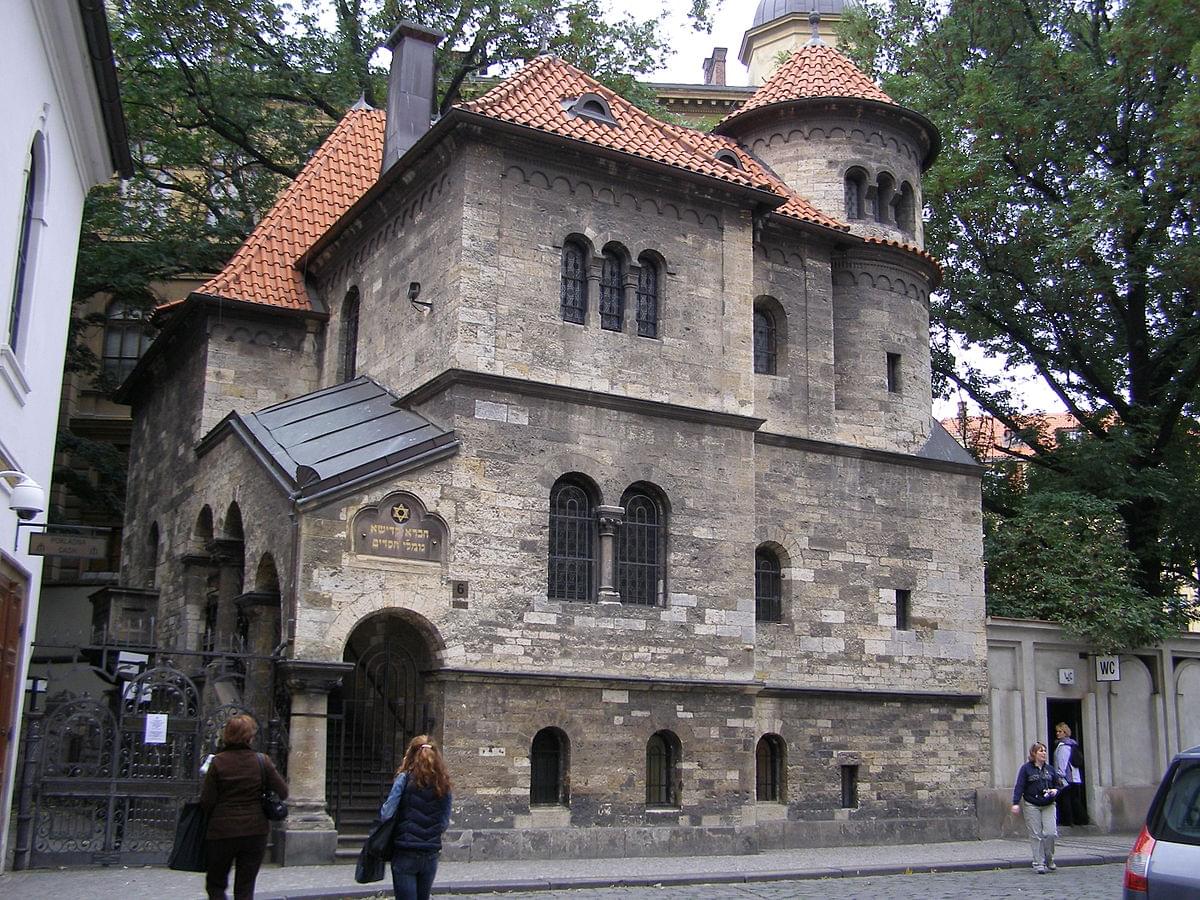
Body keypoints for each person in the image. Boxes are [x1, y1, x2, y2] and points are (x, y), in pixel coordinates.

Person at [199, 714, 288, 900]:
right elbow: (283, 791)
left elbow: (207, 800)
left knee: (215, 883)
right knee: (245, 886)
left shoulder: (218, 762)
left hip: (222, 831)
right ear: (250, 736)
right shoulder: (262, 761)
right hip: (255, 830)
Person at [379, 734, 453, 900]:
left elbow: (387, 813)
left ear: (410, 754)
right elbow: (444, 822)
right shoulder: (443, 783)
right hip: (430, 853)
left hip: (405, 851)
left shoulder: (404, 779)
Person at [1011, 741, 1062, 874]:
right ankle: (1038, 862)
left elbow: (1059, 784)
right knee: (1036, 835)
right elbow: (1020, 786)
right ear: (1034, 754)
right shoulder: (1026, 769)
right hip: (1032, 804)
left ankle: (1049, 858)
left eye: (1044, 750)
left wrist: (1056, 791)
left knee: (1050, 833)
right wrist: (1015, 803)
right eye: (1040, 751)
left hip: (1048, 804)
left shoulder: (1050, 769)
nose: (1044, 753)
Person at [1053, 722, 1088, 826]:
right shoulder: (1072, 744)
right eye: (1057, 731)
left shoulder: (1063, 746)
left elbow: (1062, 762)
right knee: (1073, 799)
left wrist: (1059, 775)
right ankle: (1080, 819)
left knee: (1066, 799)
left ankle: (1070, 820)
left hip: (1067, 778)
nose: (1058, 734)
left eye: (1060, 731)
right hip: (1074, 776)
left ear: (1065, 733)